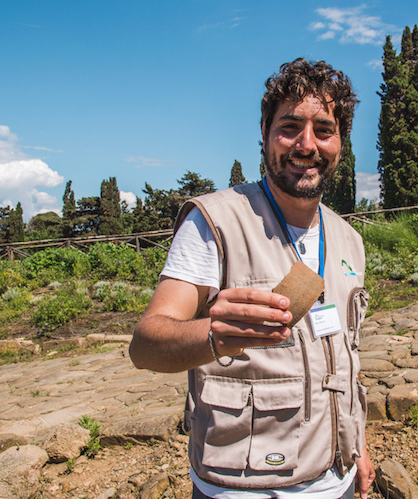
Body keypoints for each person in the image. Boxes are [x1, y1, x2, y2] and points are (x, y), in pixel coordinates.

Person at [130, 58, 375, 498]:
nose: (306, 144)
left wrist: (357, 445)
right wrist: (214, 335)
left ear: (341, 142)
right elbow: (145, 344)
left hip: (334, 482)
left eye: (323, 129)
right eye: (289, 127)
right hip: (242, 487)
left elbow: (345, 359)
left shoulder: (349, 239)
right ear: (264, 134)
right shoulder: (216, 222)